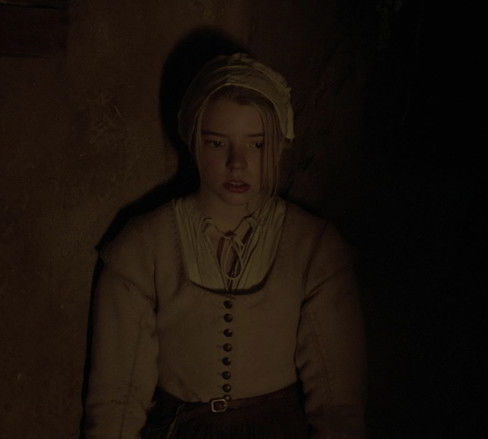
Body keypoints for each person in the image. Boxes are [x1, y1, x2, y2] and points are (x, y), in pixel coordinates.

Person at [84, 53, 367, 438]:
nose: (237, 163)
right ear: (193, 142)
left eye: (257, 144)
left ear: (280, 146)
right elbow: (117, 397)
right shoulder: (142, 247)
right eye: (217, 143)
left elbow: (338, 405)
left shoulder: (315, 248)